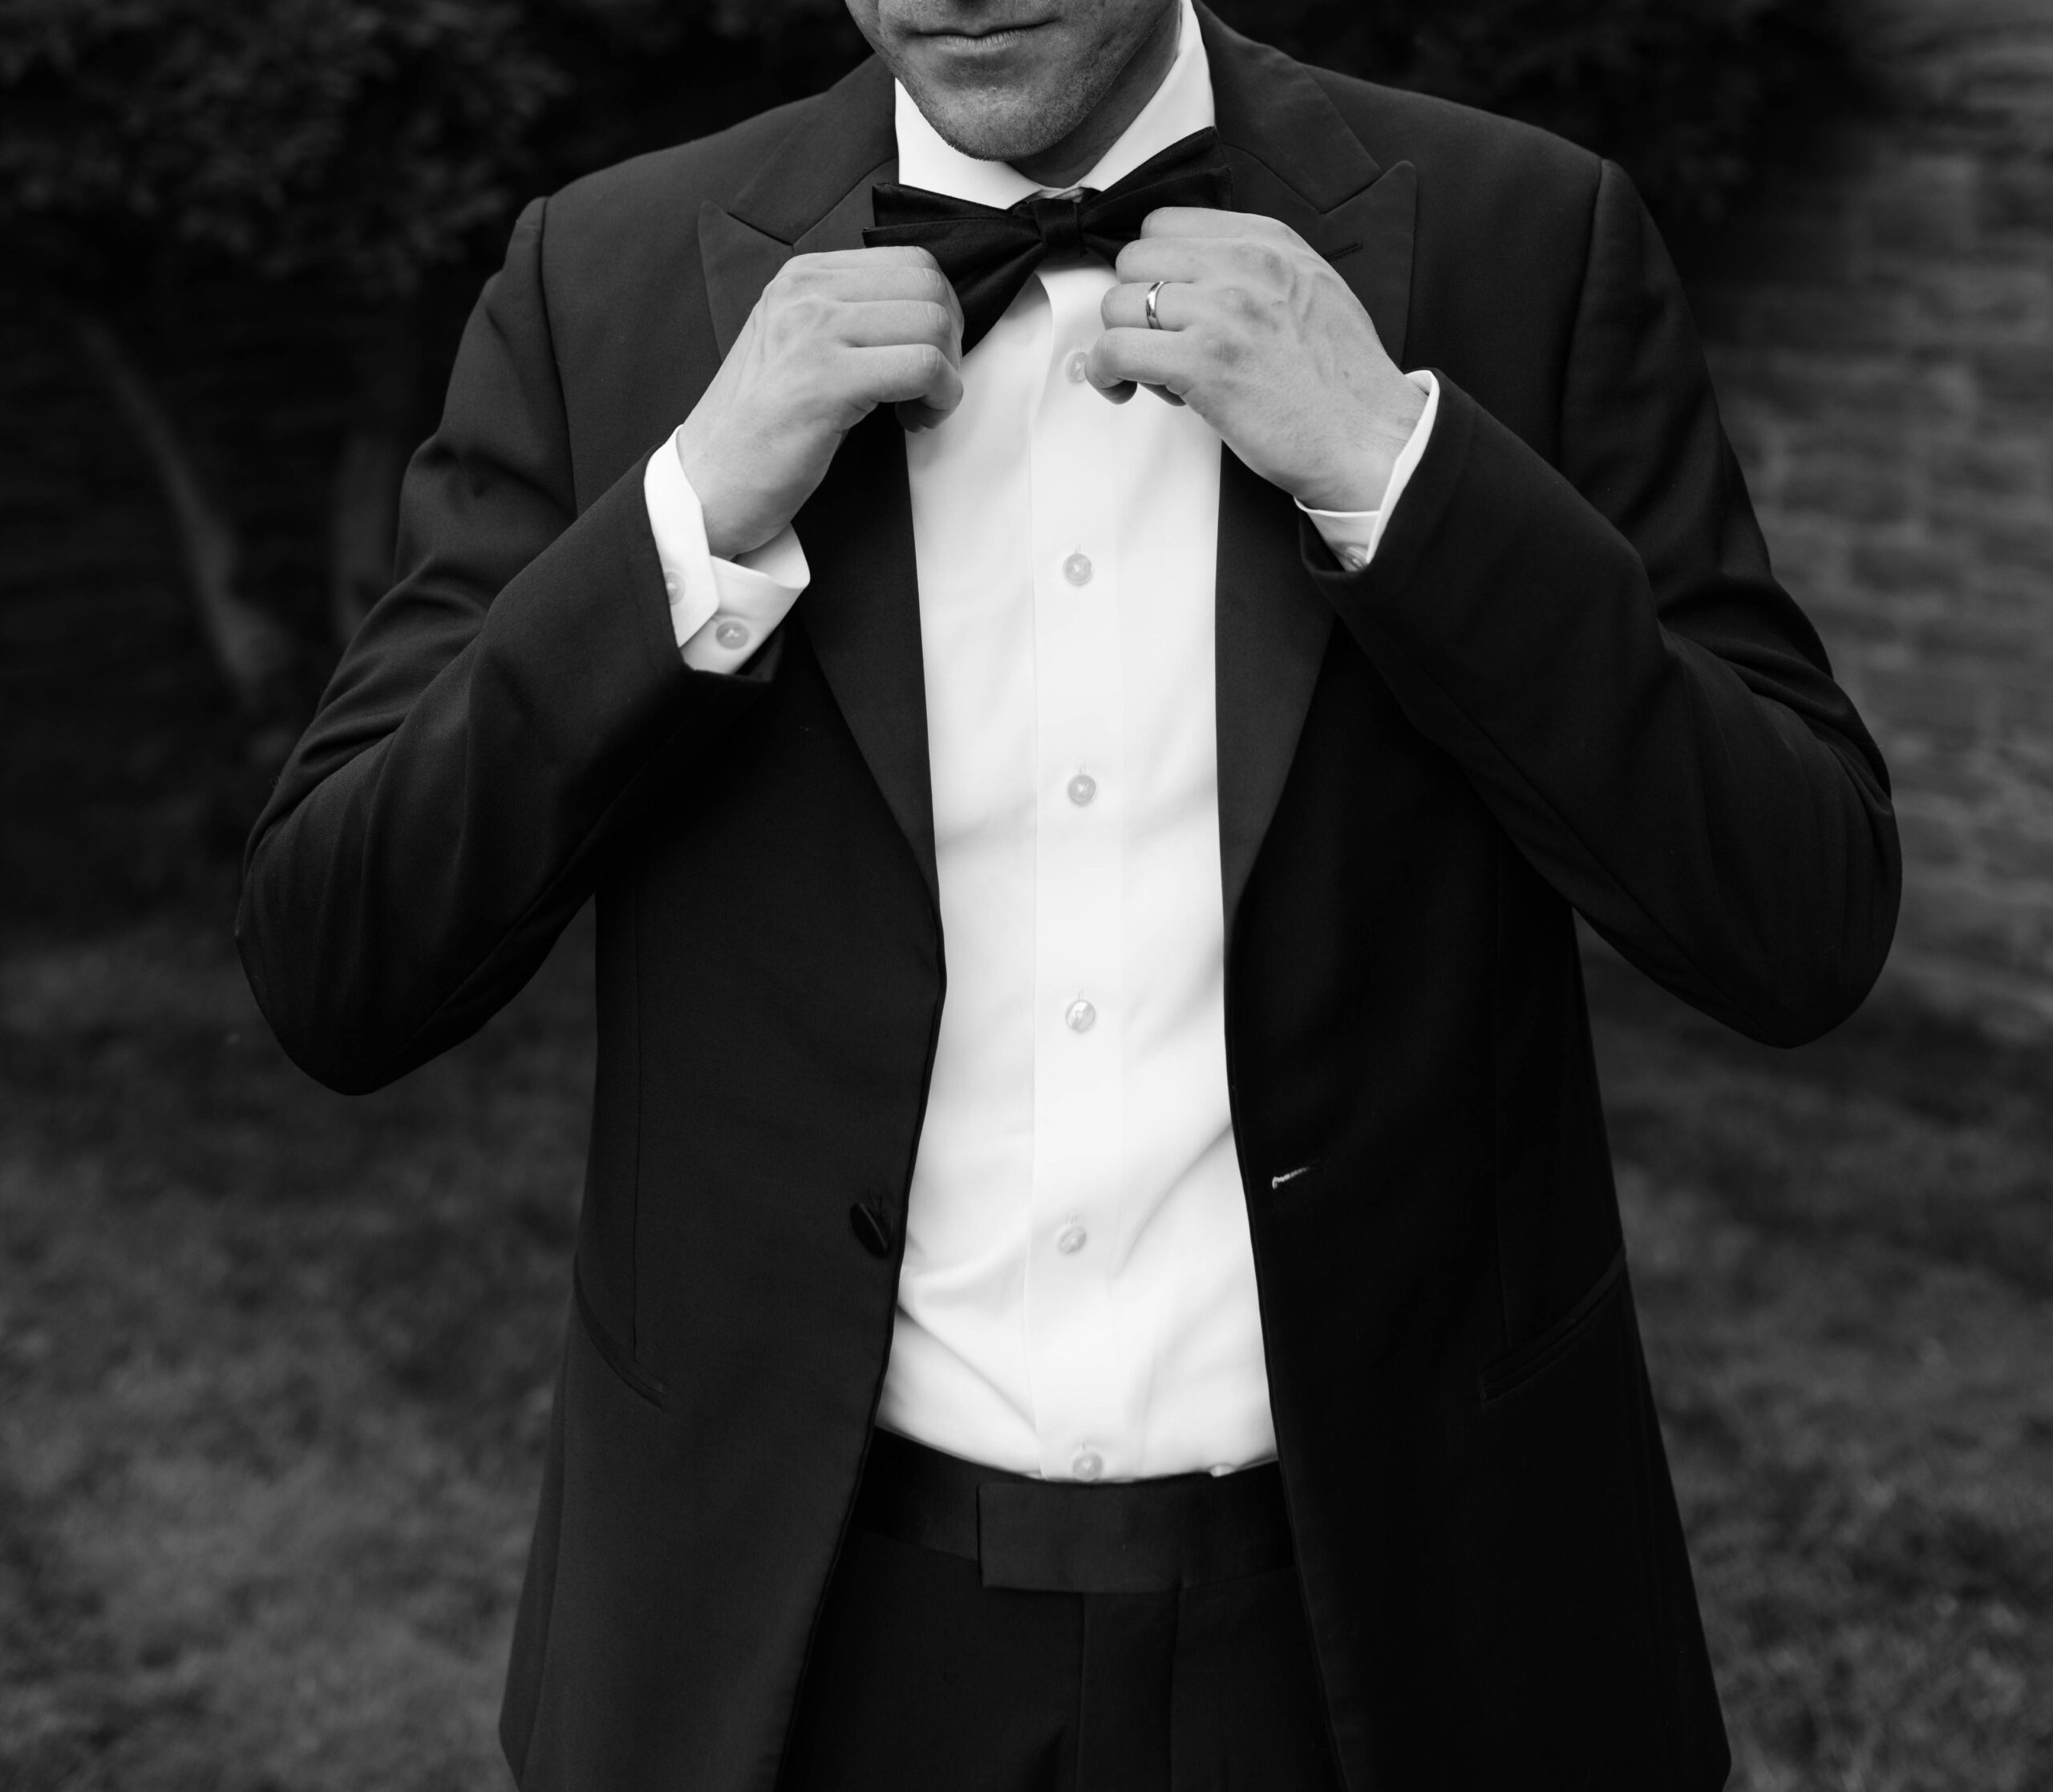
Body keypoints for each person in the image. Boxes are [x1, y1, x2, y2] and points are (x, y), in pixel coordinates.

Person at [237, 0, 1901, 1786]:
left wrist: (1393, 470)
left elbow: (1793, 910)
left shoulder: (1523, 238)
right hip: (792, 1644)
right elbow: (343, 957)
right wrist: (683, 521)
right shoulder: (607, 279)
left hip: (1401, 1628)